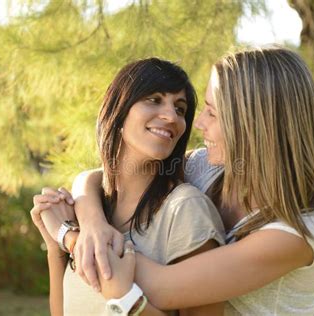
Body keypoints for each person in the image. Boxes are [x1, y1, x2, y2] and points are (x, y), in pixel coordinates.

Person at [40, 46, 314, 315]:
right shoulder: (207, 170)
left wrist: (69, 236)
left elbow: (161, 287)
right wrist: (93, 223)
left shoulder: (300, 229)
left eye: (212, 113)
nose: (196, 124)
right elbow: (104, 176)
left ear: (253, 124)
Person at [30, 57, 226, 316]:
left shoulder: (185, 210)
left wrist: (68, 238)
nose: (171, 117)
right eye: (154, 100)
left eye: (180, 109)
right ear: (119, 110)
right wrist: (57, 249)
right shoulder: (86, 211)